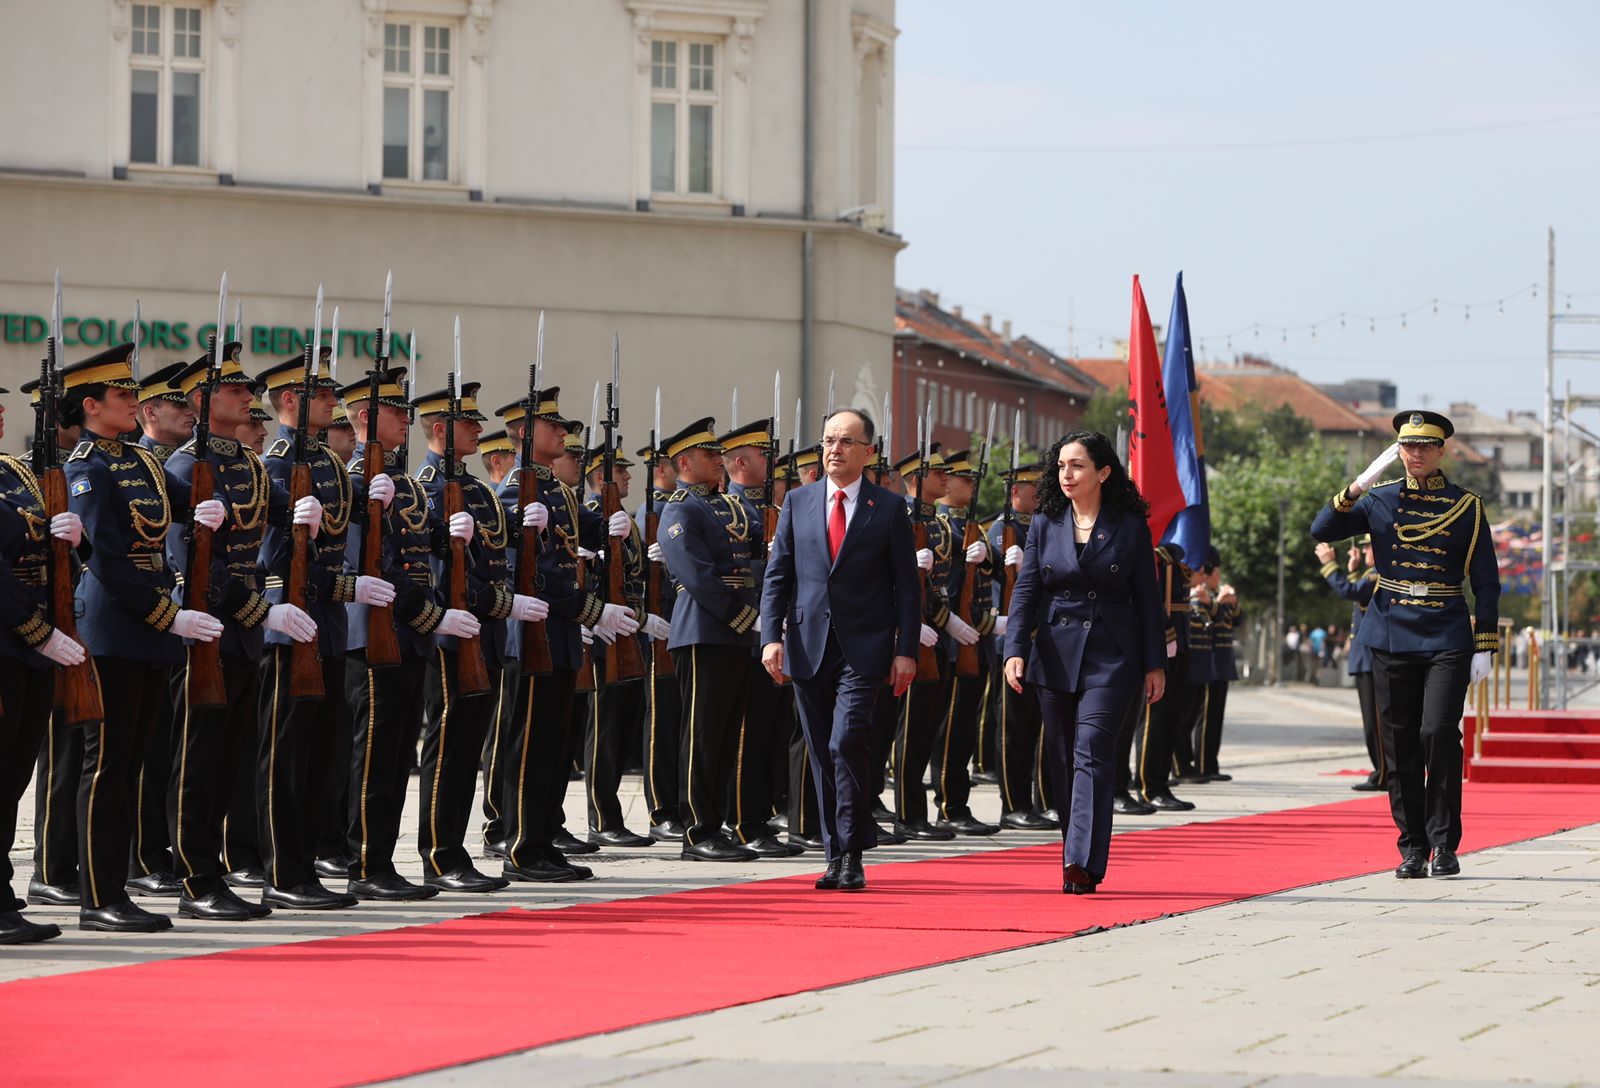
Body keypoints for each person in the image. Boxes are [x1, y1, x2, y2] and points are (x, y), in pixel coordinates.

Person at [64, 342, 227, 931]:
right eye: (123, 395)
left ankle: (115, 892)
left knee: (132, 761)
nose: (134, 403)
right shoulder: (86, 468)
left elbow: (186, 503)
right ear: (91, 405)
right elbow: (106, 554)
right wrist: (168, 614)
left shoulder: (144, 462)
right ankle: (98, 897)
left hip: (148, 632)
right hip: (113, 628)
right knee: (106, 766)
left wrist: (211, 506)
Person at [1311, 410, 1500, 879]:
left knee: (1437, 734)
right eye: (1407, 446)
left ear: (1441, 451)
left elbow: (1487, 583)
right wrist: (1355, 487)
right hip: (1391, 629)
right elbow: (1322, 530)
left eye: (1424, 446)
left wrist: (1485, 644)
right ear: (1398, 450)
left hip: (1445, 633)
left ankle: (1444, 844)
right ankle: (1412, 846)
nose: (1414, 454)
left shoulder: (1466, 506)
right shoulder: (1378, 500)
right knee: (1399, 745)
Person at [761, 407, 921, 892]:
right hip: (809, 644)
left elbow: (906, 587)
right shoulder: (799, 502)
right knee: (820, 752)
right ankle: (837, 854)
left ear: (868, 451)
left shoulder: (889, 508)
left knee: (845, 740)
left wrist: (906, 649)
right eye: (829, 440)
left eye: (847, 441)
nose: (834, 449)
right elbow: (778, 576)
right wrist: (770, 637)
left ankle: (852, 848)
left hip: (865, 647)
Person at [162, 345, 297, 921]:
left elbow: (287, 519)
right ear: (202, 400)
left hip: (241, 635)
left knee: (228, 757)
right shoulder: (181, 467)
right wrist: (256, 609)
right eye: (236, 390)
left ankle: (217, 868)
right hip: (203, 630)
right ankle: (194, 877)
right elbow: (187, 565)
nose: (249, 397)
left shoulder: (246, 464)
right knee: (195, 758)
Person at [1003, 431, 1165, 894]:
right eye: (1061, 466)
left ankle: (1079, 861)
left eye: (1077, 466)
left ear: (1103, 472)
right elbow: (1027, 591)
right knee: (1061, 762)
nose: (1066, 475)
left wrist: (1155, 664)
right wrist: (1015, 650)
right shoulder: (1045, 523)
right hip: (1055, 655)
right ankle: (1077, 856)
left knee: (1091, 752)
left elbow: (1148, 600)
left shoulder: (1130, 526)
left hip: (1113, 658)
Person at [0, 391, 89, 944]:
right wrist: (38, 633)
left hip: (29, 649)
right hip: (14, 642)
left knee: (11, 776)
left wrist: (76, 544)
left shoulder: (15, 473)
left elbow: (54, 557)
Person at [656, 417, 762, 863]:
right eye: (709, 455)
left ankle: (717, 823)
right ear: (685, 461)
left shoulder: (726, 507)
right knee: (701, 734)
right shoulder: (681, 508)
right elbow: (695, 573)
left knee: (725, 734)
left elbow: (753, 560)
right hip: (704, 629)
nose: (719, 460)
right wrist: (742, 615)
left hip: (735, 631)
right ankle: (698, 831)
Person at [1319, 537, 1385, 790]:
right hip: (1365, 656)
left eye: (1370, 546)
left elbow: (1351, 591)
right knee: (1371, 722)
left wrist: (1329, 565)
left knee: (1376, 723)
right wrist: (1353, 569)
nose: (1366, 549)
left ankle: (1384, 773)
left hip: (1372, 657)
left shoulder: (1377, 575)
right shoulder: (1369, 574)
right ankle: (1381, 770)